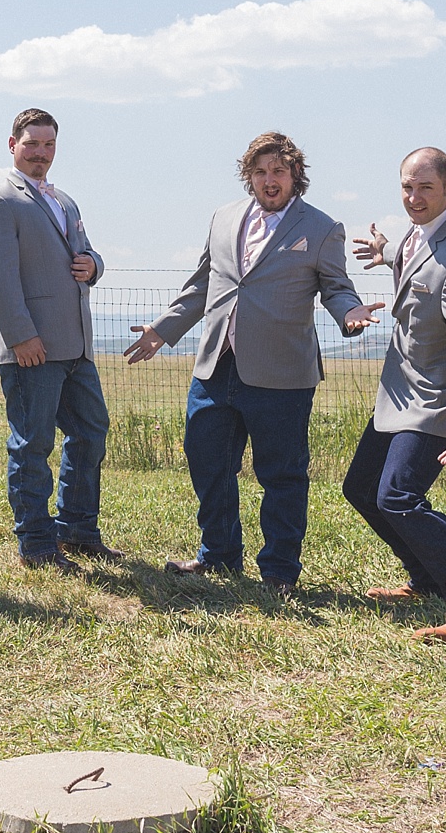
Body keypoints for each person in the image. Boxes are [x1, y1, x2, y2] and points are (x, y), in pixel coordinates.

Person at [125, 132, 380, 597]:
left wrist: (351, 313)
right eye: (260, 172)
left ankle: (279, 571)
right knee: (207, 461)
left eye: (278, 172)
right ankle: (218, 555)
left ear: (295, 175)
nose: (269, 180)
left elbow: (336, 287)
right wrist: (163, 330)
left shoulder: (321, 227)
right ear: (249, 176)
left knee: (281, 474)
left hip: (282, 374)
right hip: (217, 365)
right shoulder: (223, 218)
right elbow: (203, 284)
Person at [342, 148, 446, 643]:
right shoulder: (424, 233)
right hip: (399, 389)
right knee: (361, 488)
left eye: (425, 189)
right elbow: (417, 259)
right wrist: (386, 252)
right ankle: (427, 579)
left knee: (398, 497)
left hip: (437, 396)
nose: (414, 198)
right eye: (406, 188)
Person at [0, 108, 115, 571]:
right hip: (31, 348)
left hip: (75, 345)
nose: (40, 153)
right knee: (33, 446)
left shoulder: (65, 201)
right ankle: (36, 545)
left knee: (91, 433)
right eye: (31, 144)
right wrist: (21, 336)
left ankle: (77, 528)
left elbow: (87, 250)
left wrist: (93, 264)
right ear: (11, 144)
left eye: (48, 145)